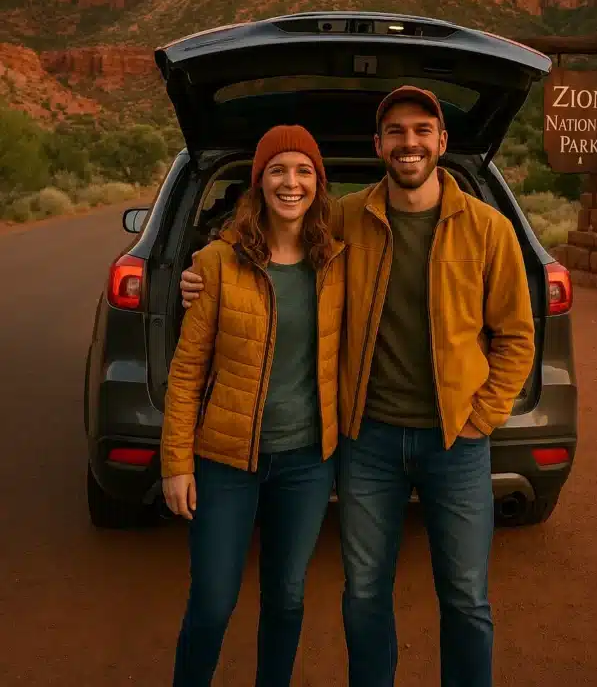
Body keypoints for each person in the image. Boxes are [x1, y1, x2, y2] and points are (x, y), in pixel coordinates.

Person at [179, 87, 536, 687]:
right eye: (395, 132)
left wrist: (483, 416)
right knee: (365, 592)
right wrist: (201, 266)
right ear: (379, 145)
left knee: (467, 598)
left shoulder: (489, 229)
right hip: (366, 439)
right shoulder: (348, 219)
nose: (409, 143)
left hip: (456, 441)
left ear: (442, 142)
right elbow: (276, 234)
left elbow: (517, 338)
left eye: (422, 130)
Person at [162, 125, 345, 687]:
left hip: (308, 461)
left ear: (318, 183)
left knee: (287, 598)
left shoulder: (339, 264)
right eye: (278, 170)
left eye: (304, 171)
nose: (291, 183)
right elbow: (188, 370)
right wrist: (176, 463)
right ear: (259, 181)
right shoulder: (217, 263)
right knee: (213, 601)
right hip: (225, 460)